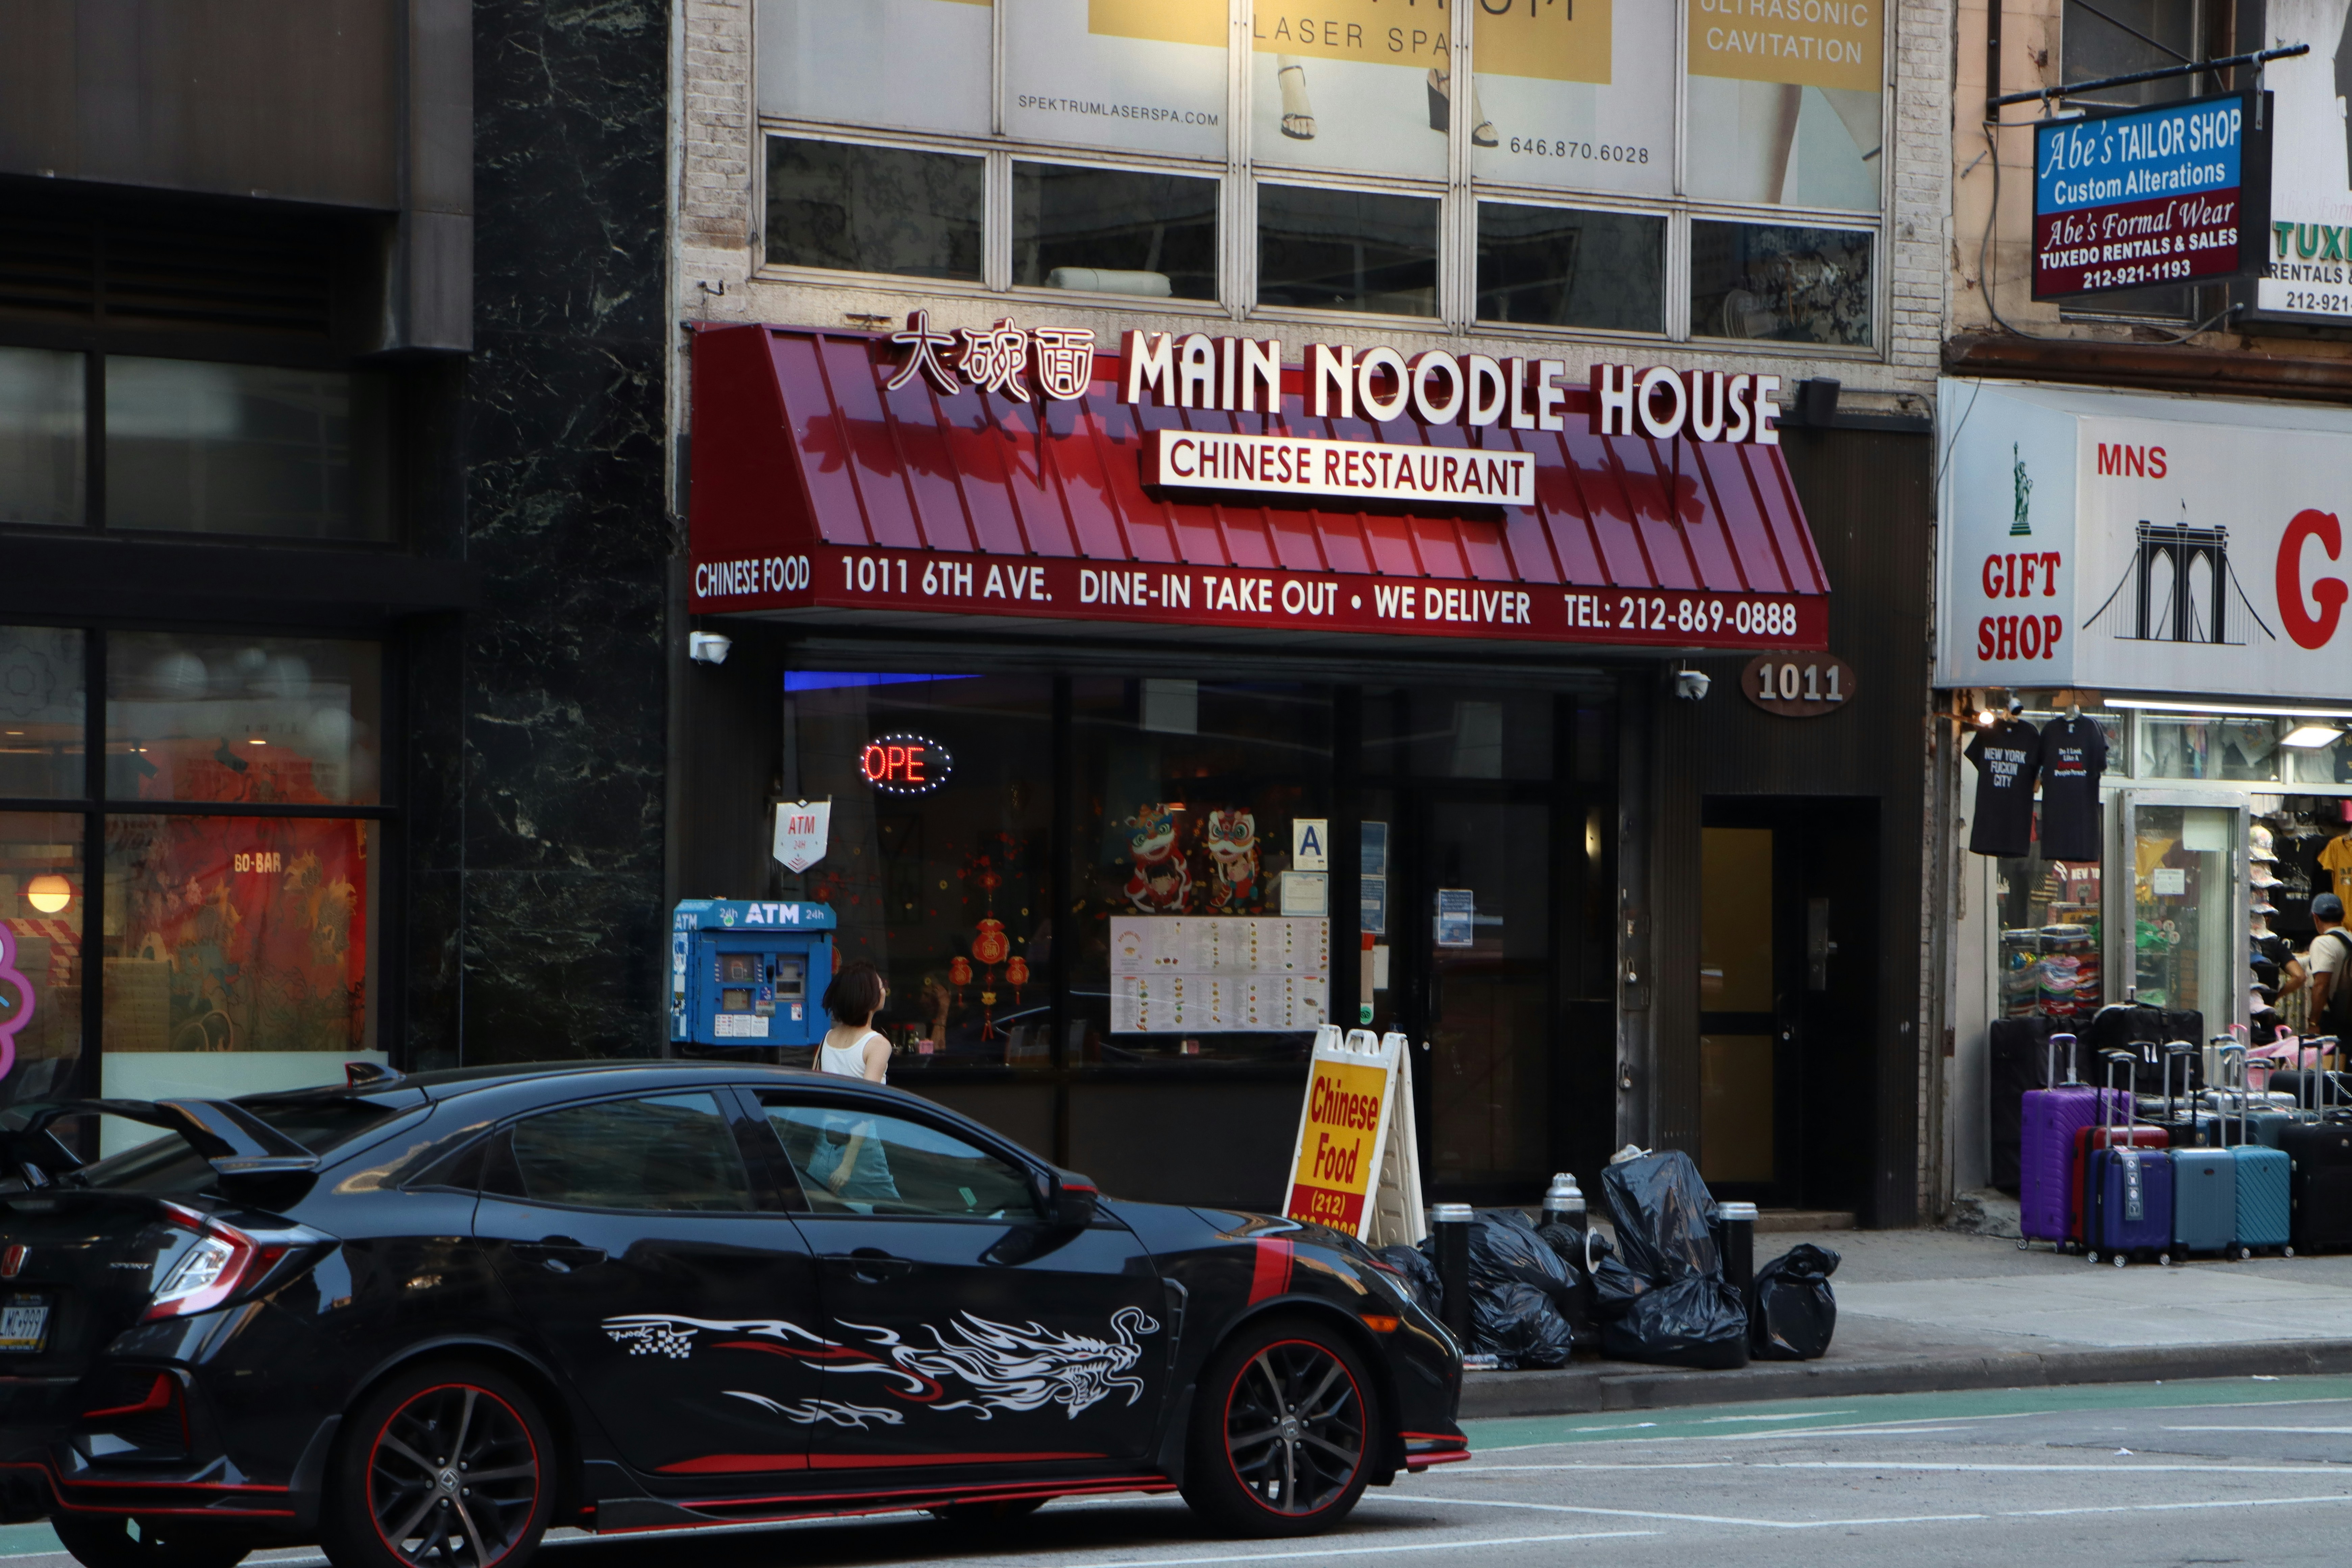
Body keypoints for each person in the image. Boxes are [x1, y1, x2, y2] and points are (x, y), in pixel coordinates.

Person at [809, 959, 898, 1204]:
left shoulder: (829, 1038)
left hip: (824, 1142)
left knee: (822, 1214)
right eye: (881, 986)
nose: (884, 991)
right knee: (893, 1215)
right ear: (867, 996)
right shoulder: (877, 1044)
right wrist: (847, 1166)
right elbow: (865, 1107)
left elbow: (811, 1092)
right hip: (860, 1149)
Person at [2309, 893, 2352, 1050]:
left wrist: (2314, 1022)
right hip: (2349, 1018)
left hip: (2334, 1021)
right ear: (2343, 915)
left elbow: (2322, 985)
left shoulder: (2323, 943)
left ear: (2316, 918)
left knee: (2331, 1072)